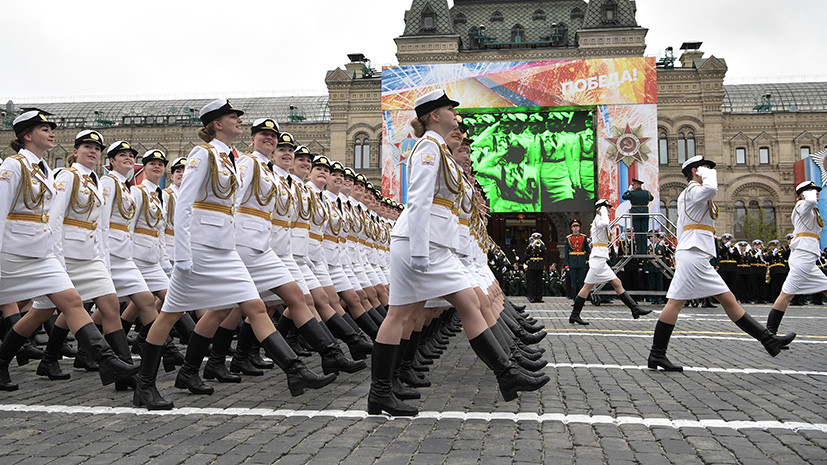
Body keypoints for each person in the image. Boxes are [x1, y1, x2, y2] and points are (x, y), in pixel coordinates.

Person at [132, 99, 334, 410]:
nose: (238, 121)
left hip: (225, 249)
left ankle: (296, 371)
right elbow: (185, 204)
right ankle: (144, 385)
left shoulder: (228, 158)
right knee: (169, 314)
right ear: (216, 124)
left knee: (255, 306)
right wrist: (183, 255)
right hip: (200, 249)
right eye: (232, 117)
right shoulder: (203, 155)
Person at [369, 90, 547, 416]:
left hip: (429, 244)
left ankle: (381, 392)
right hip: (421, 245)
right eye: (449, 108)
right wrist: (421, 251)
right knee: (463, 304)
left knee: (403, 315)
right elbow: (419, 199)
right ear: (434, 115)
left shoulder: (438, 150)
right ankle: (506, 373)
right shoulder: (427, 147)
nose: (455, 113)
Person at [0, 110, 138, 391]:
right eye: (43, 129)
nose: (51, 132)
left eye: (51, 128)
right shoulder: (13, 166)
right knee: (41, 311)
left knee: (72, 301)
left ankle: (108, 360)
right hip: (13, 252)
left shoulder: (45, 170)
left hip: (42, 253)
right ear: (27, 136)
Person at [647, 155, 795, 372]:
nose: (710, 171)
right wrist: (706, 175)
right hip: (693, 254)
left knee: (726, 300)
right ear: (695, 171)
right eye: (706, 168)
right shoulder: (693, 191)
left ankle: (767, 339)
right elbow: (711, 189)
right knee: (679, 303)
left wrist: (704, 173)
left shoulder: (696, 193)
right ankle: (656, 354)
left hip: (695, 254)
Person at [569, 199, 652, 325]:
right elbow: (606, 222)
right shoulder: (599, 219)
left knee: (617, 282)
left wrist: (603, 211)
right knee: (587, 287)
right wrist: (602, 210)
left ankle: (634, 309)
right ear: (600, 208)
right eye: (607, 207)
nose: (608, 209)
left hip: (601, 258)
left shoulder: (601, 219)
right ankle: (574, 315)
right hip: (598, 259)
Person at [766, 181, 827, 337]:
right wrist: (808, 195)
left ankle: (770, 333)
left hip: (807, 257)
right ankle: (769, 334)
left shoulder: (811, 210)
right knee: (786, 295)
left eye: (817, 190)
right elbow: (811, 200)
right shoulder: (802, 206)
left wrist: (810, 193)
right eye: (812, 190)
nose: (816, 193)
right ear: (802, 194)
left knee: (786, 295)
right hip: (802, 257)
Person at [622, 178, 653, 254]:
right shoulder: (647, 193)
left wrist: (629, 191)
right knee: (644, 232)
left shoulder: (632, 193)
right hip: (644, 214)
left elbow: (624, 196)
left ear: (637, 185)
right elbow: (651, 198)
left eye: (633, 185)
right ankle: (644, 249)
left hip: (635, 214)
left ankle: (639, 250)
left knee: (638, 232)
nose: (632, 187)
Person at [563, 219, 589, 298]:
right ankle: (574, 298)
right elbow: (566, 252)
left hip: (581, 261)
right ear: (571, 228)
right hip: (572, 262)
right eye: (574, 226)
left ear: (579, 228)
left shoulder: (583, 237)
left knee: (581, 281)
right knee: (573, 282)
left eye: (577, 226)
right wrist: (567, 264)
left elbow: (587, 250)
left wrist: (587, 260)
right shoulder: (568, 238)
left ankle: (581, 299)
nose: (575, 228)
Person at [524, 232, 546, 303]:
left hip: (539, 264)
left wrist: (541, 245)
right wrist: (532, 245)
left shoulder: (542, 245)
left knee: (539, 282)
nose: (536, 240)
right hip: (532, 265)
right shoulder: (530, 245)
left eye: (538, 238)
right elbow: (527, 252)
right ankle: (532, 297)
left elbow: (545, 253)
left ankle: (539, 297)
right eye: (535, 238)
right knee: (532, 282)